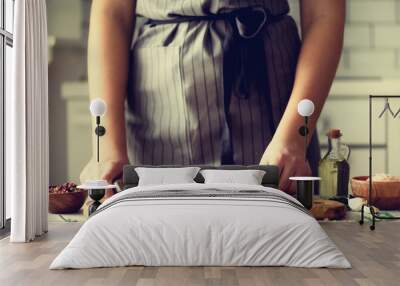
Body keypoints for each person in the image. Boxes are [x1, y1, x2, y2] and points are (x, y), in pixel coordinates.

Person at [80, 0, 345, 193]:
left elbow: (324, 13)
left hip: (276, 101)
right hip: (160, 106)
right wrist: (107, 148)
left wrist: (293, 140)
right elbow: (111, 12)